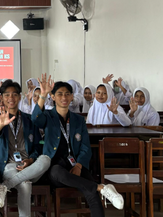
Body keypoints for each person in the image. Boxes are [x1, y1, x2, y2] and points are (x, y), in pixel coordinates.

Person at [33, 75, 124, 216]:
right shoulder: (48, 116)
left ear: (71, 97)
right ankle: (102, 188)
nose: (64, 97)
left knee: (90, 189)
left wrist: (79, 166)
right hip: (55, 168)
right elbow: (35, 119)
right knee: (58, 171)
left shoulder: (78, 120)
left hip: (76, 165)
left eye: (67, 94)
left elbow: (85, 147)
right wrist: (43, 95)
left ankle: (97, 189)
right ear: (53, 97)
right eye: (60, 94)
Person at [0, 79, 50, 213]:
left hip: (30, 166)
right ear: (2, 98)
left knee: (46, 159)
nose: (11, 98)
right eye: (7, 95)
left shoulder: (29, 119)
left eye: (15, 94)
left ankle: (5, 186)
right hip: (9, 165)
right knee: (25, 185)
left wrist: (31, 160)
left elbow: (38, 146)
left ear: (20, 97)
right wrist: (1, 124)